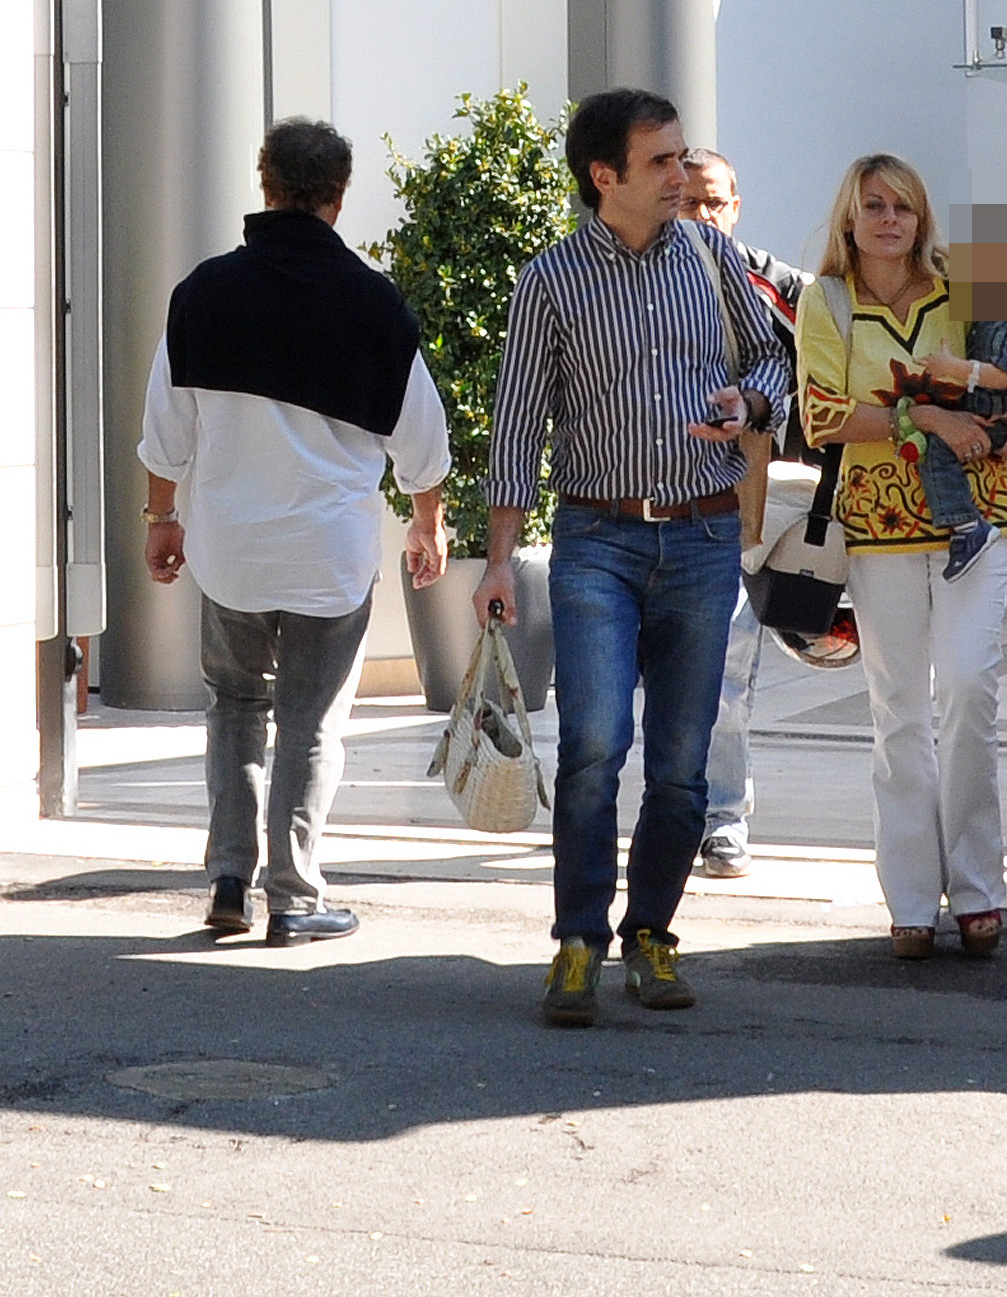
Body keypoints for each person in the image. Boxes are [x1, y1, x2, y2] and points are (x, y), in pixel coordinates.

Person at [479, 87, 794, 1025]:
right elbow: (515, 427)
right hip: (597, 541)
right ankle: (577, 942)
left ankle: (651, 934)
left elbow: (773, 356)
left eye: (683, 156)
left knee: (683, 761)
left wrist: (751, 404)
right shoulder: (550, 280)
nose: (681, 175)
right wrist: (497, 560)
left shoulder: (711, 254)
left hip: (703, 536)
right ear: (604, 175)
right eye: (660, 160)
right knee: (593, 743)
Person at [139, 117, 453, 946]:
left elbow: (165, 430)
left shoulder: (204, 292)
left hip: (229, 550)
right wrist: (427, 524)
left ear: (264, 182)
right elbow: (423, 444)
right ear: (339, 196)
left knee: (235, 707)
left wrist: (162, 518)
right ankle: (294, 896)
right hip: (328, 556)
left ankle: (228, 878)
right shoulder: (373, 303)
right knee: (310, 724)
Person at [794, 156, 1007, 958]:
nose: (888, 220)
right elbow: (821, 416)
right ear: (849, 217)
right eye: (873, 206)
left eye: (902, 207)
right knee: (898, 708)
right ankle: (910, 895)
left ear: (921, 217)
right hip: (876, 526)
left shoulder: (971, 280)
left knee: (970, 688)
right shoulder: (825, 299)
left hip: (983, 511)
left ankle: (976, 885)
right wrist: (928, 419)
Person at [682, 148, 808, 879]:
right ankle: (680, 806)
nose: (701, 215)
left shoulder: (781, 287)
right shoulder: (640, 282)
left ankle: (721, 817)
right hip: (652, 507)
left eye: (714, 202)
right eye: (687, 201)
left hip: (745, 509)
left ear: (736, 207)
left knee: (727, 665)